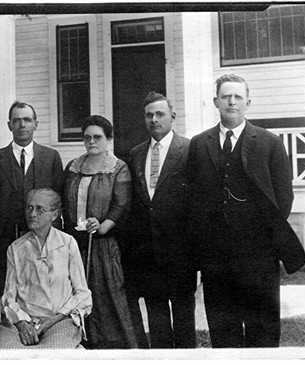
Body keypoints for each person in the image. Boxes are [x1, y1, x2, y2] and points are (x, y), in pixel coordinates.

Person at [186, 74, 305, 347]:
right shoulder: (199, 144)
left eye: (238, 97)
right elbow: (193, 200)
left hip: (258, 256)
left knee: (261, 330)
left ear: (248, 102)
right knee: (223, 331)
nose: (232, 101)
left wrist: (260, 238)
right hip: (216, 258)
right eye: (226, 96)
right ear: (216, 101)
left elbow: (283, 199)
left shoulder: (269, 143)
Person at [124, 92, 196, 348]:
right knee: (157, 321)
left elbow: (196, 204)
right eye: (149, 115)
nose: (154, 119)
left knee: (184, 319)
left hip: (180, 254)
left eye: (160, 114)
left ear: (172, 117)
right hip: (148, 254)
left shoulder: (189, 149)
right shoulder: (135, 153)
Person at [63, 115, 138, 349]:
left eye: (98, 137)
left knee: (107, 294)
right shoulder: (74, 166)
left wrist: (102, 226)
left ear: (108, 139)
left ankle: (116, 348)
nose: (92, 142)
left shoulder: (117, 167)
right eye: (87, 137)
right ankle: (85, 343)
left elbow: (122, 204)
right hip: (76, 242)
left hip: (104, 244)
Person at [0, 188, 92, 349]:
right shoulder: (16, 248)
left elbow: (82, 293)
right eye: (29, 208)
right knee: (4, 353)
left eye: (40, 209)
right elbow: (9, 296)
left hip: (59, 320)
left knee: (52, 354)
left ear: (54, 215)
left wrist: (53, 320)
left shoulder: (67, 244)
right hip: (23, 321)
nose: (32, 214)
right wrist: (23, 323)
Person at [0, 101, 64, 294]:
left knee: (43, 296)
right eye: (17, 120)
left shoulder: (51, 157)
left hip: (43, 241)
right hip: (5, 241)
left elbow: (58, 198)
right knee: (9, 299)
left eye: (27, 120)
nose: (22, 125)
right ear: (9, 125)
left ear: (36, 124)